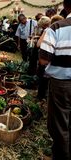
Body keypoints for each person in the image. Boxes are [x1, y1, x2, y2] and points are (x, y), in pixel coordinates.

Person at [39, 0, 71, 159]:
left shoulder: (57, 27)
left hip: (62, 84)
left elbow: (44, 59)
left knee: (59, 123)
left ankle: (61, 156)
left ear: (66, 7)